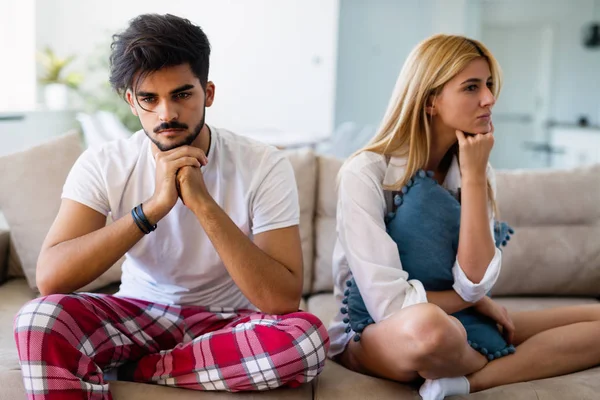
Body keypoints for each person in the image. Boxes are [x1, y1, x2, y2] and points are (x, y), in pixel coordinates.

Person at [14, 13, 329, 399]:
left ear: (208, 93)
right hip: (140, 316)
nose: (167, 114)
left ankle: (137, 370)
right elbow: (52, 279)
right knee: (38, 318)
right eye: (150, 99)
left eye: (182, 94)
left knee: (307, 340)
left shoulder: (264, 164)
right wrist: (151, 210)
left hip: (231, 324)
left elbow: (281, 299)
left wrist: (202, 204)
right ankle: (164, 363)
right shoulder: (104, 163)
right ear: (132, 102)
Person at [328, 34, 600, 400]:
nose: (489, 98)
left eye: (488, 85)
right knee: (432, 329)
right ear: (430, 102)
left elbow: (474, 283)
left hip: (456, 319)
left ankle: (463, 382)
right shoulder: (366, 172)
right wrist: (472, 302)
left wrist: (473, 177)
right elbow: (390, 304)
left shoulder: (474, 169)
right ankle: (487, 362)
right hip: (377, 331)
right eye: (471, 87)